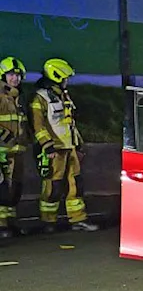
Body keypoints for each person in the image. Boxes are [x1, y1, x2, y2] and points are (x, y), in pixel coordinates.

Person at [31, 58, 98, 232]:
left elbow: (70, 124)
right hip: (55, 150)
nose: (67, 80)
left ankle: (78, 219)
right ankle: (48, 222)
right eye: (65, 77)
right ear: (57, 76)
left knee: (75, 185)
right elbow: (38, 125)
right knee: (52, 186)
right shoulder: (40, 98)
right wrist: (47, 146)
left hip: (70, 148)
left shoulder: (63, 95)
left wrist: (78, 145)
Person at [0, 57, 29, 238]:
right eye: (11, 75)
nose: (15, 78)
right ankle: (1, 225)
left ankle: (10, 222)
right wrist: (5, 137)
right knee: (2, 188)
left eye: (18, 75)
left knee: (15, 189)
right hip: (2, 151)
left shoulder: (18, 97)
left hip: (17, 150)